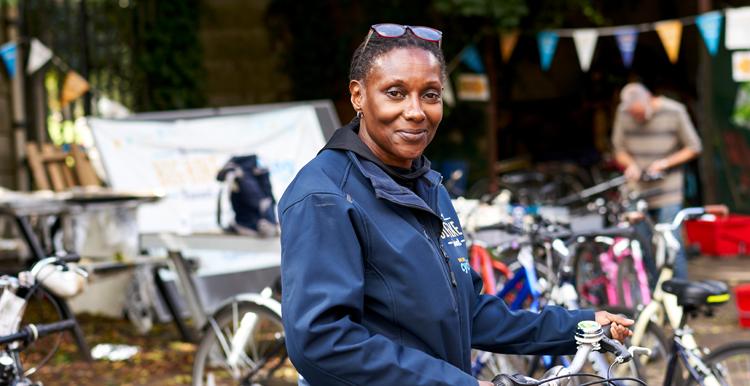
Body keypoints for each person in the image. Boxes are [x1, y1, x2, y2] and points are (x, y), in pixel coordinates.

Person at [280, 24, 632, 386]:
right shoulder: (324, 196)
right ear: (358, 96)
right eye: (395, 93)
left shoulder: (427, 186)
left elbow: (466, 314)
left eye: (430, 95)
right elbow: (321, 343)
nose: (416, 111)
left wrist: (580, 326)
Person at [611, 83, 702, 281]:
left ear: (650, 99)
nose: (637, 118)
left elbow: (694, 147)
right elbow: (619, 149)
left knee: (671, 245)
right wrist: (630, 164)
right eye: (633, 115)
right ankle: (651, 297)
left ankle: (680, 300)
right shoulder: (624, 112)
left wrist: (665, 163)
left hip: (667, 189)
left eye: (640, 114)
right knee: (640, 246)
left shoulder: (675, 111)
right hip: (637, 189)